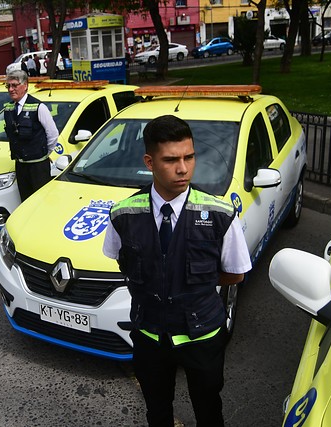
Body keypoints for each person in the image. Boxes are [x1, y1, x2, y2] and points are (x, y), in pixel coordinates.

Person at [102, 115, 252, 427]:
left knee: (209, 409)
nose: (182, 168)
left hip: (204, 337)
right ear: (149, 161)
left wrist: (192, 287)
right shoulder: (123, 214)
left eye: (189, 157)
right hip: (149, 335)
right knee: (157, 411)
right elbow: (121, 261)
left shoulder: (220, 215)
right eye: (171, 160)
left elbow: (235, 274)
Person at [3, 70, 59, 202]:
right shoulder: (9, 109)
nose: (11, 89)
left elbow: (52, 134)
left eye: (15, 85)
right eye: (8, 86)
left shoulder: (39, 107)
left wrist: (43, 153)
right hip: (21, 165)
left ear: (25, 85)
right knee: (25, 202)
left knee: (41, 203)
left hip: (38, 167)